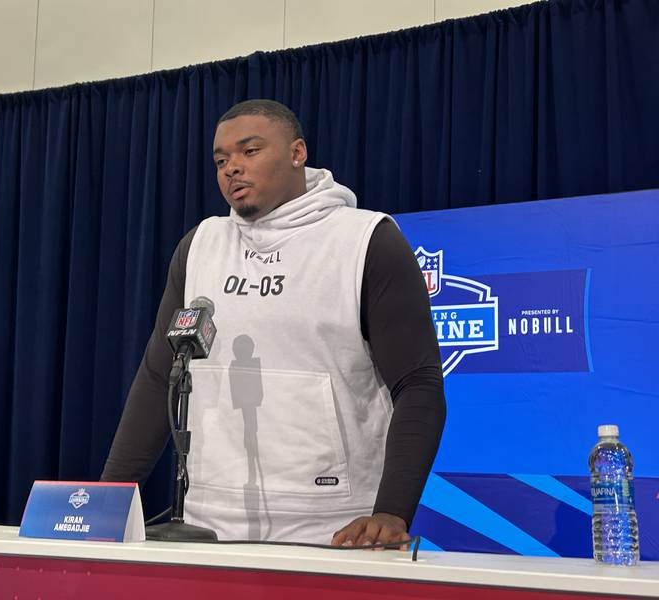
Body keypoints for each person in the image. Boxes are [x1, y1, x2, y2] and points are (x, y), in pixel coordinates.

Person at [102, 99, 445, 547]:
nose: (231, 169)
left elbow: (418, 385)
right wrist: (110, 498)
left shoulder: (367, 241)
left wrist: (392, 512)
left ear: (297, 152)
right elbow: (157, 376)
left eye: (250, 151)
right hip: (208, 527)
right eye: (221, 159)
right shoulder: (200, 246)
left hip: (336, 529)